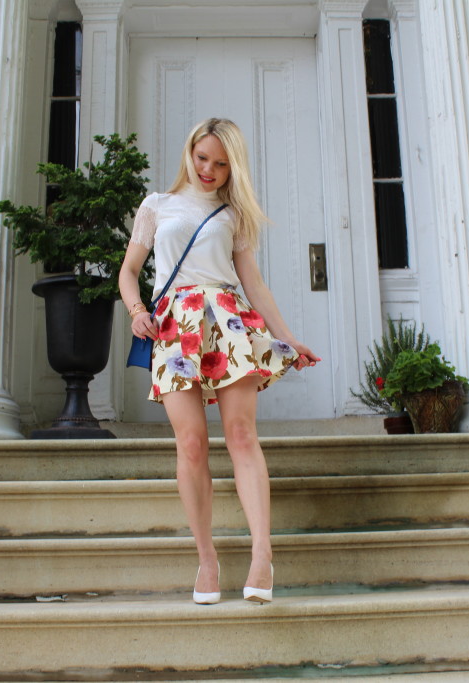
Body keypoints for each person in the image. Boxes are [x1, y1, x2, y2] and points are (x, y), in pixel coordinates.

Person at [119, 118, 320, 605]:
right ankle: (206, 559)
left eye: (221, 163)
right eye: (202, 157)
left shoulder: (234, 214)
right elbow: (129, 271)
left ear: (234, 169)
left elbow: (254, 283)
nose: (208, 169)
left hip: (227, 319)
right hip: (172, 326)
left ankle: (260, 553)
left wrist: (287, 339)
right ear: (189, 152)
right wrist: (137, 312)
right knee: (190, 444)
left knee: (241, 435)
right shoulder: (156, 206)